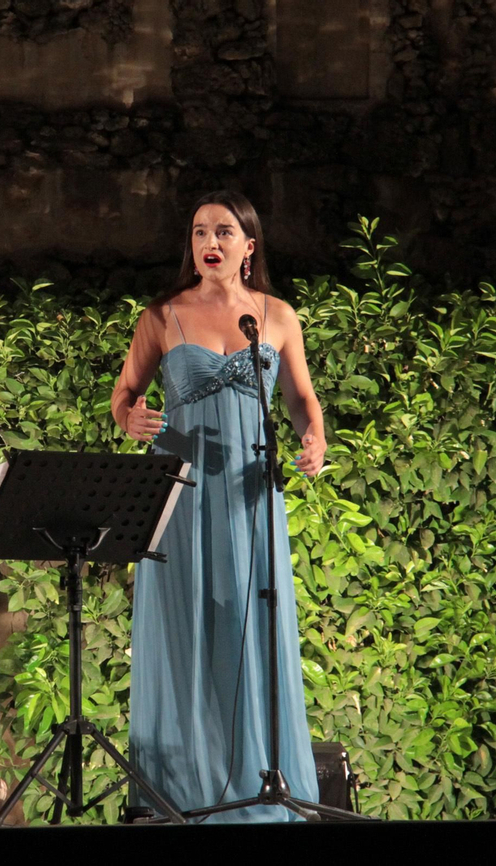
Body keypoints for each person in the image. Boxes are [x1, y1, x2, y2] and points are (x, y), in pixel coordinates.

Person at [111, 190, 325, 821]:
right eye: (201, 231)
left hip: (249, 494)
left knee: (249, 627)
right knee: (185, 635)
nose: (211, 242)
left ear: (248, 246)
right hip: (177, 491)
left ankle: (257, 785)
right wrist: (132, 418)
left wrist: (313, 440)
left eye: (225, 232)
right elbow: (125, 395)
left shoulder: (277, 316)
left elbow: (302, 400)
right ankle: (182, 794)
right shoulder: (161, 315)